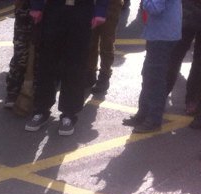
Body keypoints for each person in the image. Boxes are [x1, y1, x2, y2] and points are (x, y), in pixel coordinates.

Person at [23, 0, 110, 136]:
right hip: (54, 8)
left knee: (75, 65)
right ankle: (41, 109)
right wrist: (37, 5)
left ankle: (69, 114)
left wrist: (100, 9)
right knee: (47, 62)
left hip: (82, 10)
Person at [123, 0, 183, 133]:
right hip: (161, 34)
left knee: (155, 79)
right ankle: (143, 114)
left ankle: (153, 119)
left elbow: (155, 8)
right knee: (149, 75)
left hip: (162, 36)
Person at [87, 0, 123, 96]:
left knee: (107, 42)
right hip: (92, 4)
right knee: (91, 40)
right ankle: (90, 72)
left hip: (111, 5)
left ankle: (104, 75)